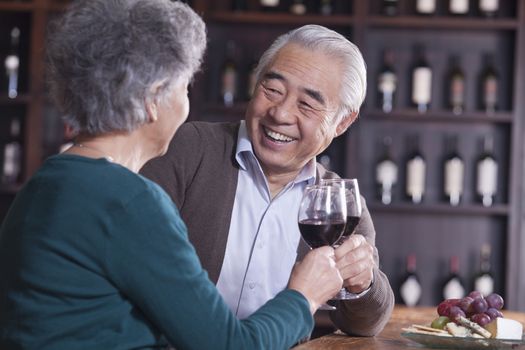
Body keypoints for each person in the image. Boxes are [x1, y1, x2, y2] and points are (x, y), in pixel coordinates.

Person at [0, 2, 344, 349]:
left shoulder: (48, 180)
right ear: (153, 100)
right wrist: (303, 296)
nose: (186, 100)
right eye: (183, 87)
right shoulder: (129, 202)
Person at [141, 24, 395, 336]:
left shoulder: (338, 204)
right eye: (272, 90)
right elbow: (139, 271)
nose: (281, 113)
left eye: (307, 104)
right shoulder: (188, 148)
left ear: (342, 122)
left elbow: (367, 323)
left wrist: (363, 282)